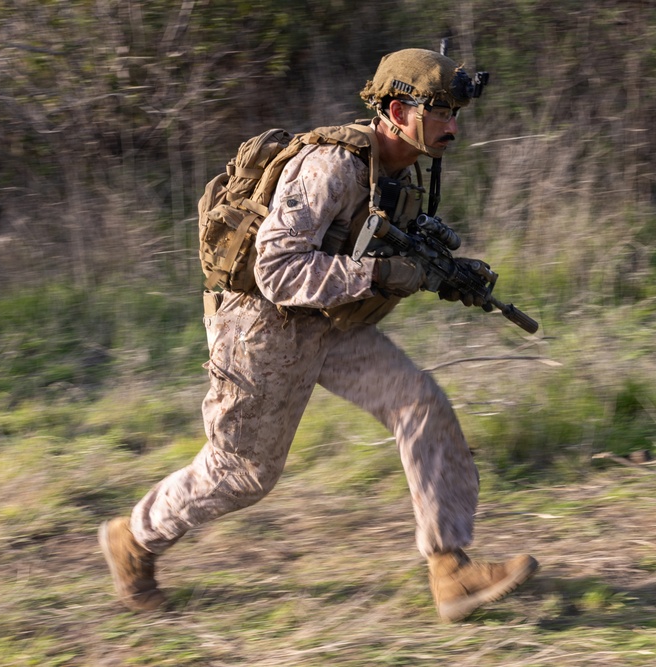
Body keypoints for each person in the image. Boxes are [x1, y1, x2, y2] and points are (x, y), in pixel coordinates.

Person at [99, 48, 538, 623]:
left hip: (331, 321)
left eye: (456, 114)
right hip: (261, 326)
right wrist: (377, 274)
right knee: (244, 472)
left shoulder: (402, 174)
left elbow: (373, 246)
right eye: (441, 113)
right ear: (395, 109)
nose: (453, 126)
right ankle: (133, 539)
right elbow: (275, 271)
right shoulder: (331, 165)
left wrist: (442, 275)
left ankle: (450, 569)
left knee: (419, 404)